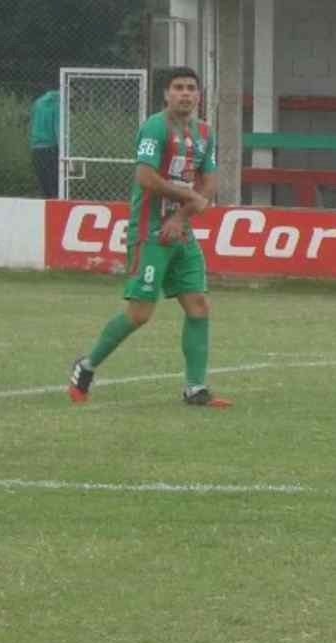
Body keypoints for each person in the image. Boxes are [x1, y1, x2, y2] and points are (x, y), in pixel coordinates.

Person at [68, 67, 228, 408]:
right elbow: (145, 177)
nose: (185, 93)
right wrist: (188, 197)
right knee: (140, 313)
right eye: (178, 88)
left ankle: (195, 388)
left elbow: (210, 183)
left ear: (199, 96)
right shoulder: (155, 127)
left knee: (198, 305)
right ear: (166, 95)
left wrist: (181, 216)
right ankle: (86, 366)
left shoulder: (205, 132)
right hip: (149, 231)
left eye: (191, 88)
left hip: (180, 231)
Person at [29, 88, 60, 198]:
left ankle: (46, 201)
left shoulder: (37, 103)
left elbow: (32, 123)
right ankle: (56, 204)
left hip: (36, 147)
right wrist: (66, 151)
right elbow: (58, 129)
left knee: (43, 183)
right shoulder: (58, 105)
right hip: (51, 147)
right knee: (56, 183)